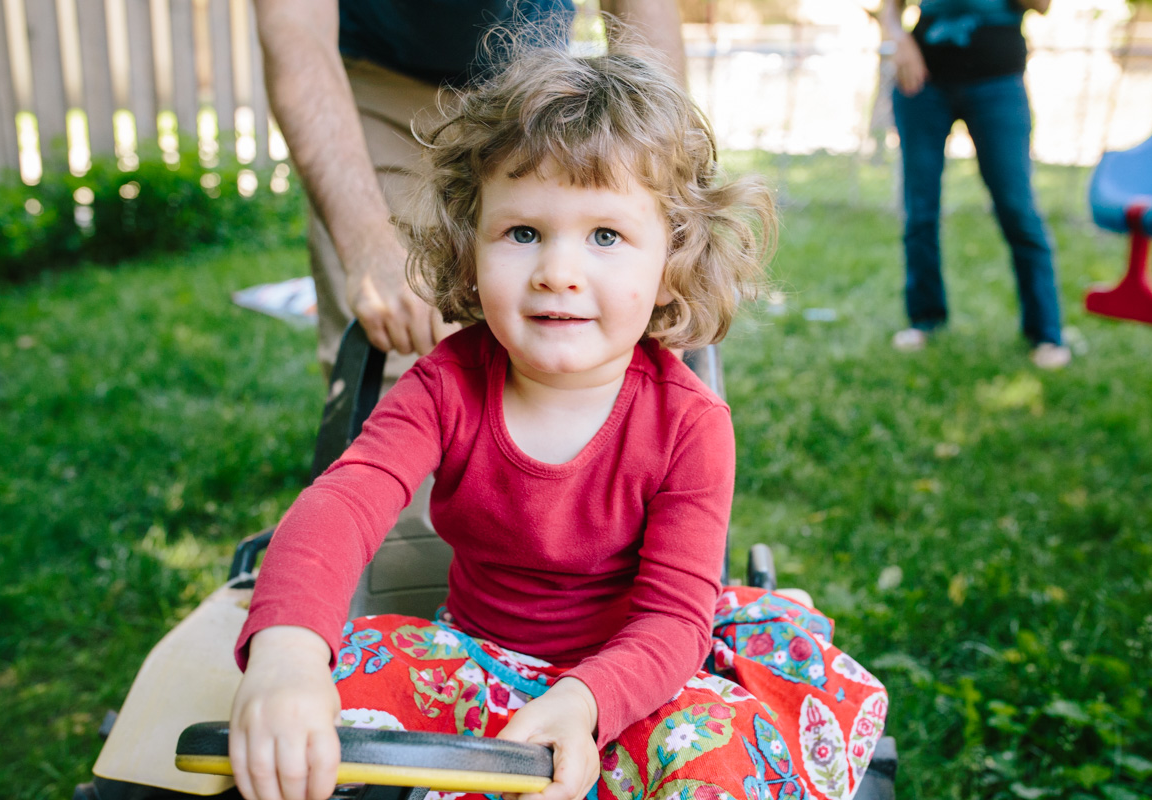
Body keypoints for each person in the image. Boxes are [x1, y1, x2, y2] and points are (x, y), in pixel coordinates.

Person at [228, 32, 889, 800]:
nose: (558, 273)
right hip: (475, 660)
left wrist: (583, 702)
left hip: (634, 679)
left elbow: (675, 620)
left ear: (671, 263)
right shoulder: (445, 386)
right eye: (523, 233)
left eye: (605, 236)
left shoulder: (690, 423)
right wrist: (287, 656)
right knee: (327, 709)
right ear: (469, 249)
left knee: (715, 757)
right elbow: (342, 505)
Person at [253, 0, 689, 382]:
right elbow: (296, 22)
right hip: (373, 71)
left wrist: (665, 191)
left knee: (617, 364)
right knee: (399, 351)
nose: (558, 275)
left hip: (532, 86)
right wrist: (368, 243)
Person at [881, 0, 1072, 369]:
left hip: (998, 84)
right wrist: (897, 38)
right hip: (923, 82)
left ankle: (1047, 333)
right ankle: (925, 319)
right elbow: (891, 6)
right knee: (920, 210)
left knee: (1017, 208)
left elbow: (1042, 5)